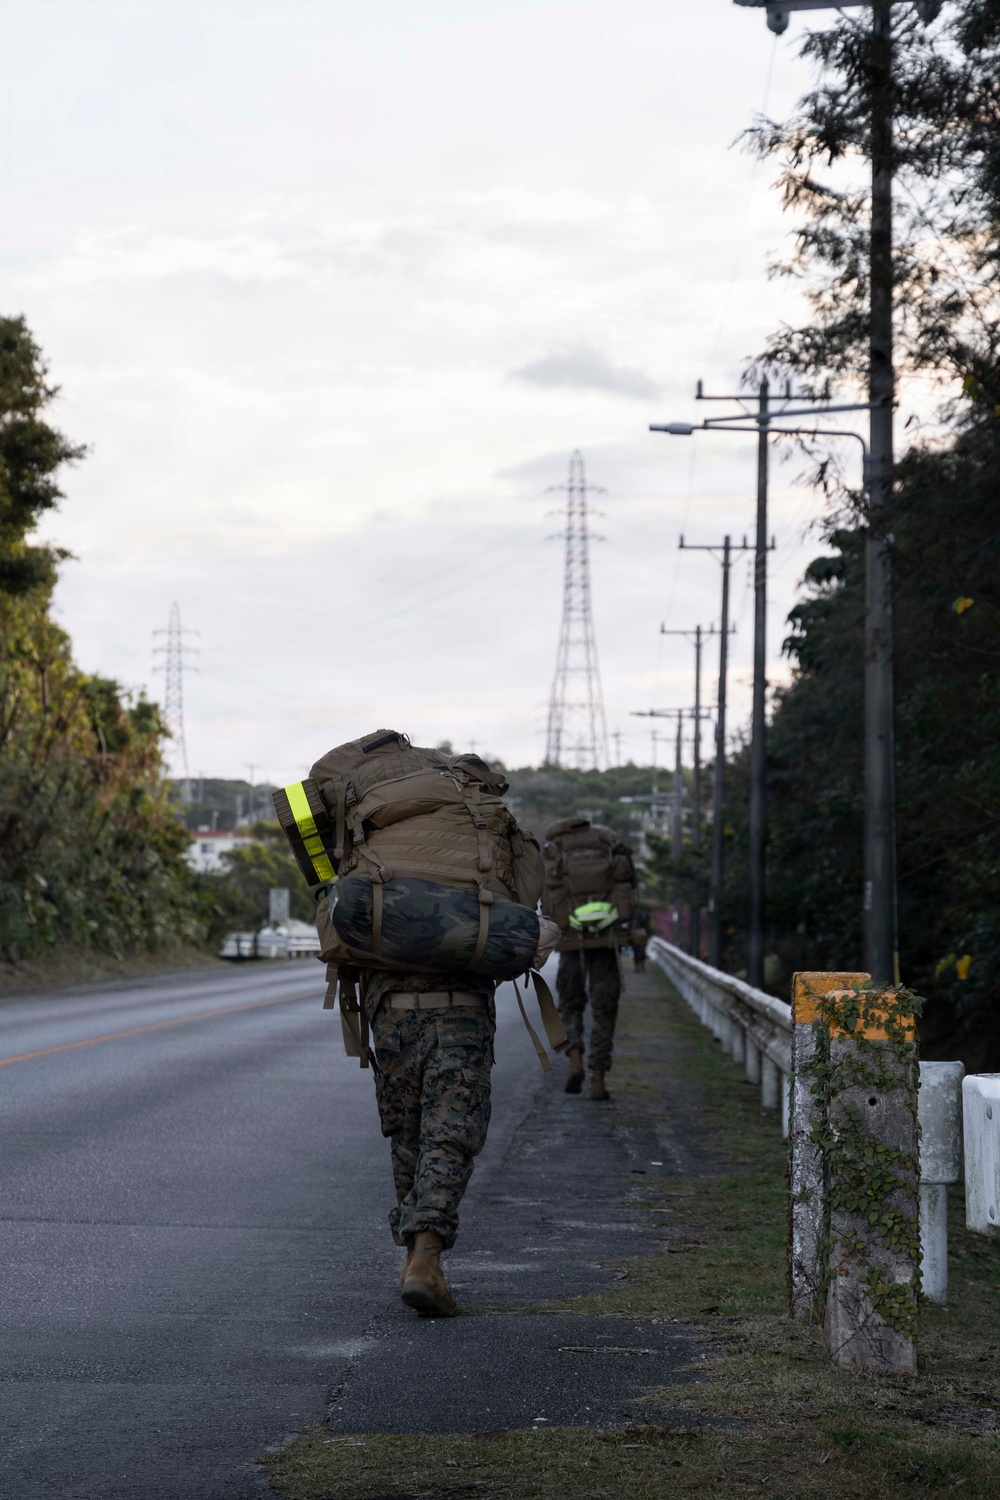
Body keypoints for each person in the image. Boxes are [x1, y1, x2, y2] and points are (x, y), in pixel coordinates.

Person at [542, 817, 638, 1102]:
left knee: (570, 1004)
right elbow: (628, 882)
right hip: (605, 936)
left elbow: (546, 891)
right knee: (604, 1009)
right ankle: (598, 1078)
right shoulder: (607, 840)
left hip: (571, 936)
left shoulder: (556, 847)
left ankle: (575, 1060)